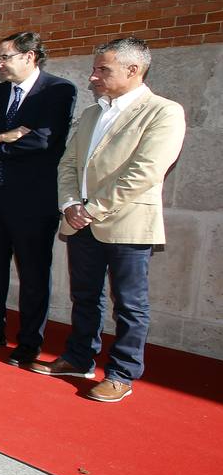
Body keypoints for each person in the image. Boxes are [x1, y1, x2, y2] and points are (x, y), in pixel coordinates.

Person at [29, 37, 186, 402]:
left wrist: (92, 209)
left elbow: (145, 171)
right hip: (80, 220)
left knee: (130, 304)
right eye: (95, 68)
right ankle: (79, 358)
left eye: (103, 69)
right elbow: (68, 164)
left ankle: (121, 373)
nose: (93, 76)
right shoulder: (92, 113)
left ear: (133, 70)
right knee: (85, 296)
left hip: (126, 224)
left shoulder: (163, 112)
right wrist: (69, 203)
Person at [0, 32, 77, 366]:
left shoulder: (58, 90)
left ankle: (29, 342)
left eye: (4, 57)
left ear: (29, 56)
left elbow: (45, 141)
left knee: (33, 274)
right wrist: (3, 137)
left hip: (34, 200)